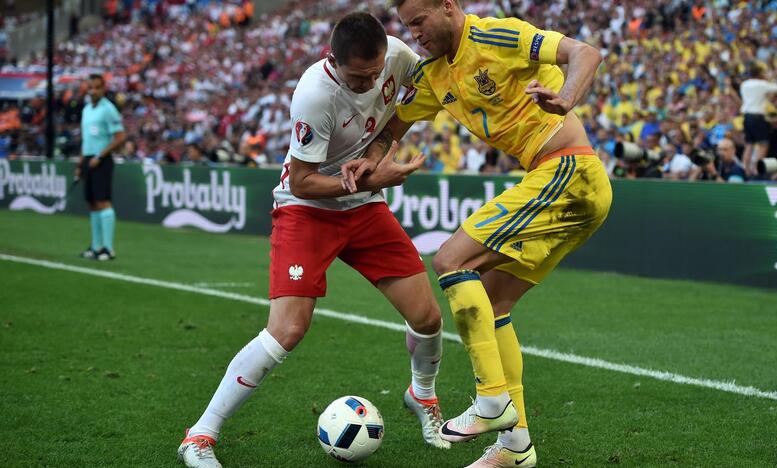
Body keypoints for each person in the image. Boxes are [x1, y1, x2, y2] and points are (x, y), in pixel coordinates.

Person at [342, 2, 611, 466]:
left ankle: (491, 401)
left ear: (447, 7)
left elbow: (585, 53)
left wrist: (566, 98)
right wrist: (375, 156)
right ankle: (515, 448)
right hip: (562, 180)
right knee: (493, 301)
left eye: (420, 22)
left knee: (451, 260)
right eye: (408, 27)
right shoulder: (433, 74)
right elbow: (395, 126)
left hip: (569, 170)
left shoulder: (496, 36)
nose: (416, 35)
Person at [177, 13, 450, 468]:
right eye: (358, 77)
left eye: (376, 73)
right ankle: (200, 435)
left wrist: (375, 159)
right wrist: (372, 179)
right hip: (307, 210)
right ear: (333, 60)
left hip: (362, 207)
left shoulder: (399, 57)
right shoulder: (313, 95)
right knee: (287, 330)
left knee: (427, 316)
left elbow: (396, 120)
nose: (369, 84)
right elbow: (302, 182)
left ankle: (422, 398)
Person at [76, 74, 125, 261]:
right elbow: (86, 139)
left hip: (101, 160)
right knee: (92, 203)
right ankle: (96, 247)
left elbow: (120, 137)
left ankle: (108, 248)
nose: (93, 91)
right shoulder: (87, 109)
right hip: (88, 158)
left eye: (97, 87)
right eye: (91, 87)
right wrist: (80, 163)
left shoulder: (109, 109)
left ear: (103, 89)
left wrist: (100, 155)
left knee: (103, 201)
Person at [739, 63, 777, 176]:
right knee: (763, 144)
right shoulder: (761, 84)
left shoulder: (744, 84)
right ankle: (756, 169)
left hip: (746, 116)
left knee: (749, 144)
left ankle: (744, 169)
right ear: (759, 73)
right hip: (757, 116)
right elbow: (776, 88)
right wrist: (769, 78)